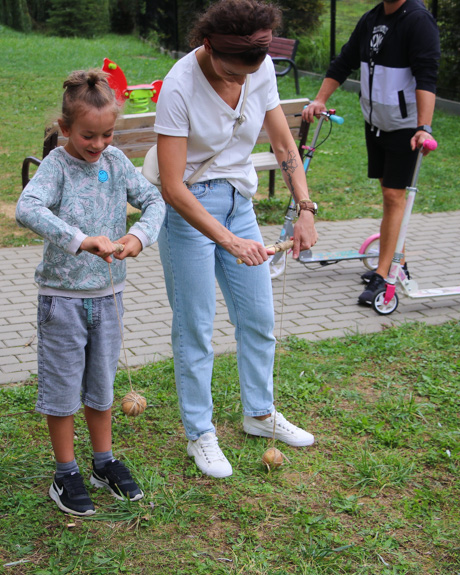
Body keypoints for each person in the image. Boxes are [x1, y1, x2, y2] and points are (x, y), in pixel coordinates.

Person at [154, 0, 317, 479]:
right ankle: (199, 433)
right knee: (196, 327)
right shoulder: (180, 85)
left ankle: (259, 413)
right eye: (233, 72)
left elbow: (284, 144)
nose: (243, 82)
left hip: (238, 201)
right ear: (208, 47)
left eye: (251, 73)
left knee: (259, 317)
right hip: (189, 211)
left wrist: (304, 208)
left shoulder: (258, 65)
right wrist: (228, 241)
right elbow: (172, 187)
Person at [15, 69, 165, 515]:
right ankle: (66, 474)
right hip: (62, 300)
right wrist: (80, 239)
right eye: (88, 136)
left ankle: (103, 462)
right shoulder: (57, 166)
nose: (98, 145)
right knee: (62, 392)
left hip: (109, 298)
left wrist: (138, 238)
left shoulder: (117, 162)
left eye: (107, 134)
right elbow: (27, 207)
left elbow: (155, 201)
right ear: (65, 129)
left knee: (101, 387)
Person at [302, 0, 439, 306]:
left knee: (394, 196)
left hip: (405, 127)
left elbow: (427, 76)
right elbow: (345, 61)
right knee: (389, 195)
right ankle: (392, 258)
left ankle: (385, 270)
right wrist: (320, 98)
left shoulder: (418, 21)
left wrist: (424, 127)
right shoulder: (372, 18)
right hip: (376, 123)